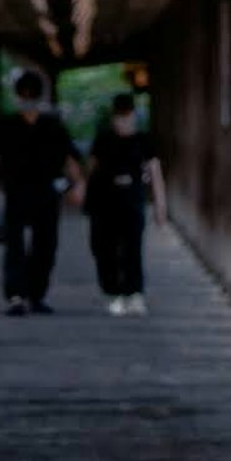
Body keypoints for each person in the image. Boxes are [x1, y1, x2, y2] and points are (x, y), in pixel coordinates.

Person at [0, 64, 80, 314]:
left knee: (45, 246)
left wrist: (78, 186)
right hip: (16, 192)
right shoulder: (6, 126)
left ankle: (36, 295)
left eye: (31, 96)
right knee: (13, 245)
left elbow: (71, 159)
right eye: (23, 95)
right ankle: (16, 296)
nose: (27, 101)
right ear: (18, 97)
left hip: (47, 193)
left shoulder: (53, 127)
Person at [82, 89, 161, 313]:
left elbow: (155, 171)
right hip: (105, 201)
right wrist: (84, 192)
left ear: (134, 114)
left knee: (132, 247)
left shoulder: (143, 140)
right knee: (104, 247)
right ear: (113, 116)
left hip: (132, 199)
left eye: (127, 114)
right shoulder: (104, 139)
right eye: (120, 114)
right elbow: (92, 167)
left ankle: (134, 292)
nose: (124, 118)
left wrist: (160, 204)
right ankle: (113, 291)